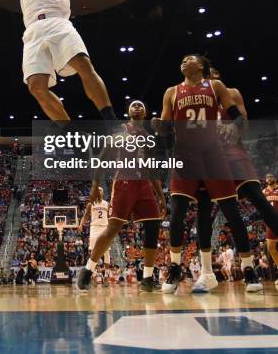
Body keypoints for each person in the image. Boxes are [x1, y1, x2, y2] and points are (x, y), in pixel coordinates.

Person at [152, 54, 262, 293]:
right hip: (184, 156)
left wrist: (235, 125)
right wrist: (160, 128)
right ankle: (174, 268)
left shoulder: (215, 86)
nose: (183, 61)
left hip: (213, 154)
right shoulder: (171, 91)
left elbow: (237, 117)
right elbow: (166, 135)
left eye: (188, 58)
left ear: (200, 65)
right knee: (178, 213)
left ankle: (248, 268)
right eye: (180, 59)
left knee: (232, 213)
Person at [194, 67, 278, 292]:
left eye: (211, 75)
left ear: (218, 77)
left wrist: (231, 126)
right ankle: (218, 273)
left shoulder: (231, 93)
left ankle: (250, 269)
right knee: (215, 213)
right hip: (209, 159)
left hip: (234, 153)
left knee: (259, 199)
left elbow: (244, 122)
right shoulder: (195, 99)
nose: (208, 79)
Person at [77, 100, 166, 292]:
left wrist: (160, 195)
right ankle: (87, 270)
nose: (137, 107)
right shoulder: (119, 132)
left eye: (141, 105)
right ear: (128, 111)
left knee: (153, 226)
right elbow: (101, 159)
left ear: (146, 112)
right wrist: (95, 187)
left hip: (144, 185)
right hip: (124, 183)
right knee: (113, 229)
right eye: (133, 105)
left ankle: (149, 278)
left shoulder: (149, 137)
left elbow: (152, 168)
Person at [79, 187, 110, 277]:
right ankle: (93, 271)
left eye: (100, 191)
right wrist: (81, 224)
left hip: (105, 227)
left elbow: (110, 216)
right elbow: (85, 216)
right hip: (94, 227)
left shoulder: (107, 204)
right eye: (97, 191)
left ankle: (107, 274)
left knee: (106, 251)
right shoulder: (90, 204)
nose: (99, 192)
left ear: (102, 193)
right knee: (93, 251)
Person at [263, 173, 278, 284]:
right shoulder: (263, 192)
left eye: (271, 177)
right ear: (265, 180)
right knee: (271, 248)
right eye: (267, 177)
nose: (270, 178)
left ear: (275, 178)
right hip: (270, 224)